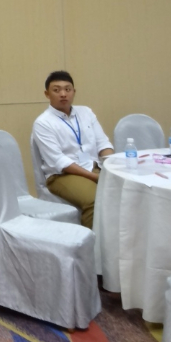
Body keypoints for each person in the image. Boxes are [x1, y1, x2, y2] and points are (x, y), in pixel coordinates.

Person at [31, 70, 114, 229]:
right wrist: (95, 177)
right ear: (47, 94)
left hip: (93, 167)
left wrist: (112, 168)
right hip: (62, 175)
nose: (63, 94)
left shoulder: (86, 112)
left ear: (74, 92)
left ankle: (115, 240)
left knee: (124, 192)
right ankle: (92, 243)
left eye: (67, 89)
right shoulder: (43, 123)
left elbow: (103, 143)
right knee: (95, 199)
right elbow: (59, 161)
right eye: (56, 90)